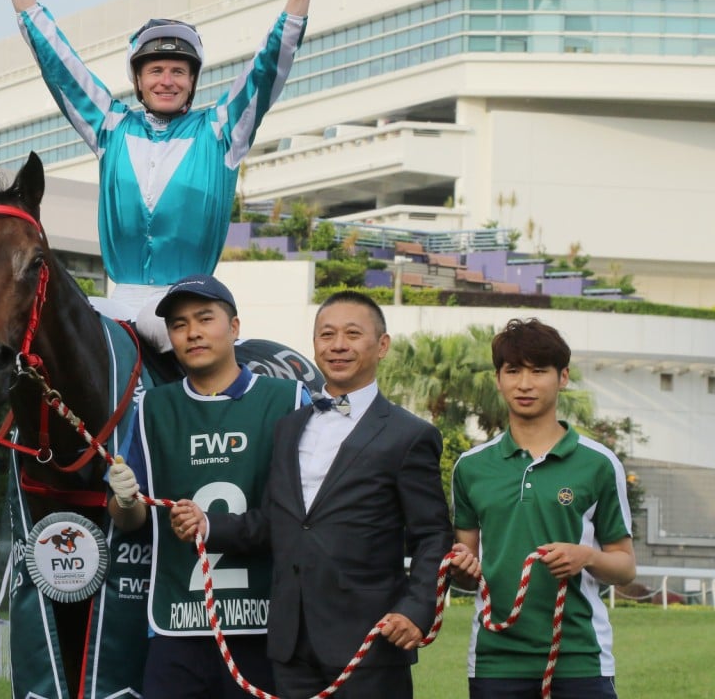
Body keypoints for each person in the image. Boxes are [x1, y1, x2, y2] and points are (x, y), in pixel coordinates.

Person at [0, 0, 318, 349]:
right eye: (156, 70)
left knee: (159, 328)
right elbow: (61, 68)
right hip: (118, 300)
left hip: (189, 305)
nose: (167, 81)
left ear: (193, 80)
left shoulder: (221, 132)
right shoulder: (111, 127)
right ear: (138, 79)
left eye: (178, 71)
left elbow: (266, 69)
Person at [170, 290, 460, 698]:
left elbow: (433, 535)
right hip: (291, 643)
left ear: (382, 345)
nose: (337, 345)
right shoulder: (289, 427)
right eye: (326, 334)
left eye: (352, 334)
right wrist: (208, 524)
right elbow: (276, 522)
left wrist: (417, 609)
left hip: (372, 642)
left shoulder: (410, 435)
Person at [106, 274, 311, 697]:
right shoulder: (152, 408)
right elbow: (130, 518)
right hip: (177, 622)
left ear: (234, 327)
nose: (193, 333)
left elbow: (309, 513)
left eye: (204, 318)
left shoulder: (290, 399)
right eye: (179, 325)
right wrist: (124, 498)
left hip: (268, 623)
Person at [450, 319, 635, 699]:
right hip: (495, 659)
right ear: (498, 378)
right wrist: (460, 568)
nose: (524, 384)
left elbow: (625, 566)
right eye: (513, 370)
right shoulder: (471, 467)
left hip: (580, 657)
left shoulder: (598, 463)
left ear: (563, 377)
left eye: (539, 371)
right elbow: (465, 570)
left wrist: (585, 556)